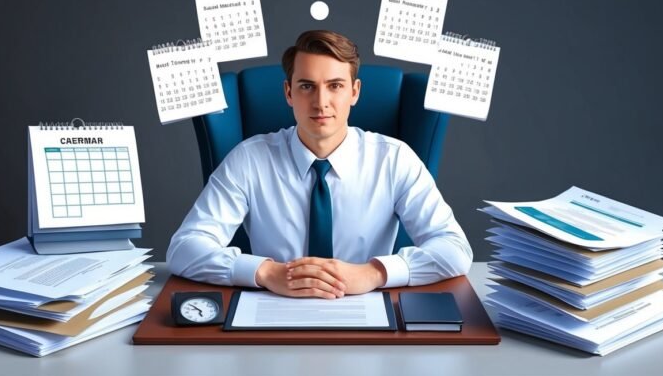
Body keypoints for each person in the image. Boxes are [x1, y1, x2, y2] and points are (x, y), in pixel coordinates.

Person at [167, 30, 472, 299]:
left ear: (354, 92)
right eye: (307, 86)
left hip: (364, 306)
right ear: (289, 93)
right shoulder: (249, 159)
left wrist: (373, 273)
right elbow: (184, 249)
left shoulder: (394, 159)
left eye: (336, 86)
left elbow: (455, 250)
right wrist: (266, 272)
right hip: (273, 307)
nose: (321, 102)